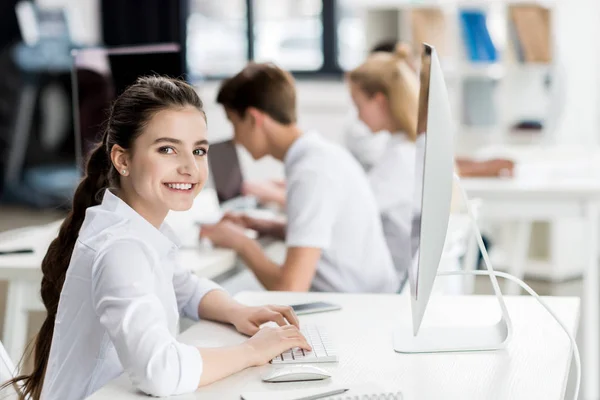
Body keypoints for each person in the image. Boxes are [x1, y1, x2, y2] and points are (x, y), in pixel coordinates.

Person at [2, 76, 311, 400]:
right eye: (167, 149)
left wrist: (237, 311)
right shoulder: (120, 249)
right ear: (122, 159)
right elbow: (159, 371)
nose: (190, 167)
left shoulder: (141, 229)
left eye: (199, 150)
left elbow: (185, 286)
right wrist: (252, 352)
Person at [200, 63, 398, 294]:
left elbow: (290, 288)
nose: (235, 139)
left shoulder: (311, 172)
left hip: (357, 309)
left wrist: (242, 243)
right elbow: (325, 233)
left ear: (254, 119)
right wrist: (267, 226)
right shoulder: (320, 154)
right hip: (364, 296)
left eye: (234, 124)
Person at [346, 44, 419, 285]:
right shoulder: (406, 147)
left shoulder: (400, 159)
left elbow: (352, 211)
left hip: (393, 281)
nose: (357, 116)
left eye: (359, 106)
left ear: (379, 101)